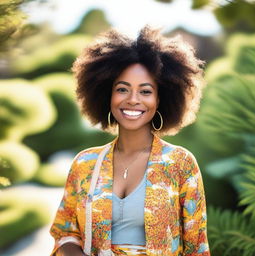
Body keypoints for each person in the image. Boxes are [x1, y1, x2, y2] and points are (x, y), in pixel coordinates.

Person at [49, 26, 210, 256]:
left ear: (160, 98)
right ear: (107, 94)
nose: (133, 100)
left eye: (145, 91)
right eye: (122, 89)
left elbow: (197, 248)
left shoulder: (180, 163)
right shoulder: (85, 163)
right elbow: (64, 233)